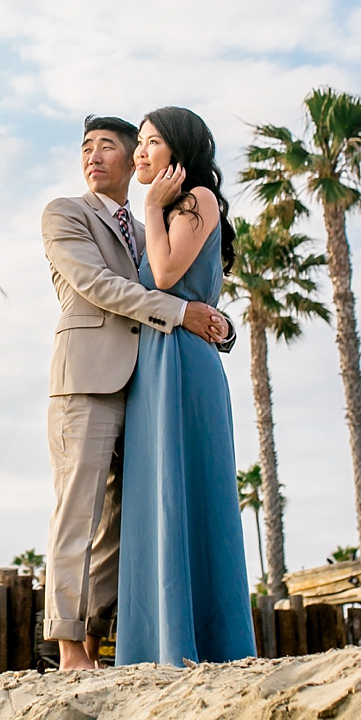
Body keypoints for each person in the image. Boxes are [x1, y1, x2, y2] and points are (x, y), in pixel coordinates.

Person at [40, 115, 236, 671]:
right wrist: (182, 312)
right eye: (86, 148)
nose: (93, 156)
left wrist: (211, 321)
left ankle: (99, 643)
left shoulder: (155, 218)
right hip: (88, 382)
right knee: (78, 513)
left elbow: (177, 273)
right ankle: (69, 649)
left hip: (148, 387)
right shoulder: (65, 214)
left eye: (109, 147)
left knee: (121, 524)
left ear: (134, 161)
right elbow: (100, 287)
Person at [115, 106, 258, 667]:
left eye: (152, 142)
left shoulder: (199, 198)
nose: (140, 153)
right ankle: (153, 645)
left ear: (181, 148)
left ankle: (201, 643)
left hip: (183, 366)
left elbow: (169, 273)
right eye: (140, 143)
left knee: (190, 491)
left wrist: (150, 207)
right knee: (155, 493)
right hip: (151, 364)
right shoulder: (168, 208)